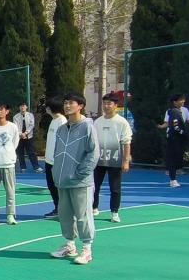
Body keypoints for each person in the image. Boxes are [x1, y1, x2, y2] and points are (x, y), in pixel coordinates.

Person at [50, 93, 100, 265]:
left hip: (80, 181)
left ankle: (87, 249)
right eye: (65, 103)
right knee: (65, 215)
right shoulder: (61, 129)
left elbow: (94, 153)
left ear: (81, 106)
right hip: (62, 180)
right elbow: (57, 153)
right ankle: (70, 246)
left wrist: (80, 174)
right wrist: (57, 173)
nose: (67, 106)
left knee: (83, 216)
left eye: (71, 103)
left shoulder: (87, 127)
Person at [92, 94, 132, 223]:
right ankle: (94, 207)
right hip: (98, 160)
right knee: (94, 186)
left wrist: (125, 161)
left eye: (109, 103)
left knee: (115, 188)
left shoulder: (122, 122)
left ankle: (114, 212)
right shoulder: (97, 122)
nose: (106, 106)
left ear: (115, 105)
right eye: (104, 103)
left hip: (115, 160)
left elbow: (126, 143)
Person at [157, 94, 189, 187]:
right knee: (172, 157)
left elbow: (187, 121)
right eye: (180, 100)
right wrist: (183, 133)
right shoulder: (173, 111)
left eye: (183, 100)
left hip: (180, 138)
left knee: (178, 156)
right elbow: (175, 126)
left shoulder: (183, 110)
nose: (183, 101)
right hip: (173, 137)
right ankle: (173, 179)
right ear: (174, 102)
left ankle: (175, 173)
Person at [42, 97, 66, 219]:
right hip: (49, 160)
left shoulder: (62, 121)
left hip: (57, 161)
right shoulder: (54, 120)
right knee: (51, 186)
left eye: (47, 106)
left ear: (51, 108)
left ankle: (64, 210)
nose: (45, 108)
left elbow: (63, 142)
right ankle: (58, 208)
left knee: (58, 187)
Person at [13, 103, 43, 173]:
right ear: (19, 107)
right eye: (21, 106)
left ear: (26, 107)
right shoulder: (15, 117)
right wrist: (21, 134)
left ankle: (36, 167)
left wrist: (26, 133)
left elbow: (31, 125)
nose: (22, 107)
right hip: (19, 137)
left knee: (32, 152)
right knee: (20, 153)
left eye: (23, 106)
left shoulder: (30, 115)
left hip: (29, 137)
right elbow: (15, 127)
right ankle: (23, 168)